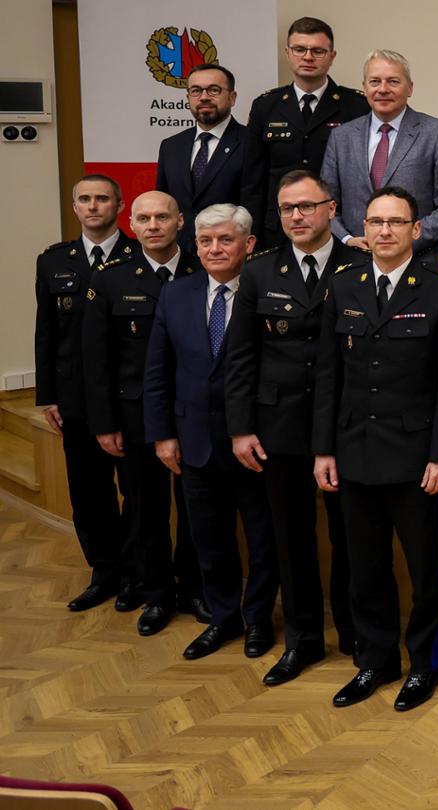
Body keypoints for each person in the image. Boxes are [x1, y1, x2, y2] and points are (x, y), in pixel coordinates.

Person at [313, 186, 438, 712]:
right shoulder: (344, 284)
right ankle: (375, 660)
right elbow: (329, 375)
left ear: (416, 230)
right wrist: (323, 449)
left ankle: (424, 664)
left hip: (417, 455)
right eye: (375, 221)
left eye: (396, 222)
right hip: (354, 450)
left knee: (425, 571)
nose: (384, 231)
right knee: (364, 566)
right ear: (363, 227)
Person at [224, 171, 362, 684]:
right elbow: (240, 356)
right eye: (287, 209)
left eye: (306, 206)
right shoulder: (258, 273)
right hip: (277, 427)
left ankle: (353, 631)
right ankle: (303, 638)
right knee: (290, 537)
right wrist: (240, 427)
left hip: (344, 429)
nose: (297, 217)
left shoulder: (360, 266)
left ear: (330, 209)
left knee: (351, 536)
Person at [142, 204, 280, 662]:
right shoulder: (176, 294)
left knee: (263, 538)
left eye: (225, 239)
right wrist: (163, 434)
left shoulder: (268, 290)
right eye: (205, 241)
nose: (215, 249)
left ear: (248, 244)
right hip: (193, 440)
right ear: (194, 245)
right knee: (209, 537)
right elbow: (158, 371)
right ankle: (224, 617)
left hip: (255, 442)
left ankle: (259, 619)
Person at [82, 191, 205, 636]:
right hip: (134, 417)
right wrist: (104, 423)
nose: (153, 225)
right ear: (131, 224)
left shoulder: (202, 269)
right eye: (145, 218)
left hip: (194, 414)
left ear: (180, 222)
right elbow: (95, 362)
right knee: (145, 509)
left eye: (163, 217)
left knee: (195, 508)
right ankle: (155, 592)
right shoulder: (111, 280)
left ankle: (193, 586)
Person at [37, 175, 134, 613]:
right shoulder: (54, 261)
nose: (93, 206)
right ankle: (105, 571)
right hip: (75, 398)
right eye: (84, 200)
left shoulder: (142, 255)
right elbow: (46, 332)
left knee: (136, 490)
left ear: (118, 204)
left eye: (102, 198)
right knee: (88, 492)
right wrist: (47, 394)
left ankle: (138, 571)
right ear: (74, 207)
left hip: (128, 397)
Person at [321, 50, 438, 265]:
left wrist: (405, 240)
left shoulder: (436, 133)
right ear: (364, 87)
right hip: (355, 261)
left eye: (393, 81)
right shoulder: (342, 137)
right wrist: (346, 238)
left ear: (410, 88)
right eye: (375, 81)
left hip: (419, 262)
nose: (383, 89)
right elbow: (327, 203)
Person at [246, 16, 369, 249]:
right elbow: (253, 183)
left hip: (339, 230)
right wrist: (253, 234)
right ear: (288, 52)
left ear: (332, 56)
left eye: (318, 51)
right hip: (278, 231)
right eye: (300, 49)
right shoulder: (265, 106)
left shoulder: (356, 107)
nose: (308, 57)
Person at [155, 63, 266, 254]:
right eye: (196, 91)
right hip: (181, 258)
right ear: (188, 98)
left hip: (230, 256)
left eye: (214, 90)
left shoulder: (253, 143)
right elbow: (164, 204)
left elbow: (256, 206)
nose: (204, 97)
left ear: (232, 97)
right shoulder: (171, 146)